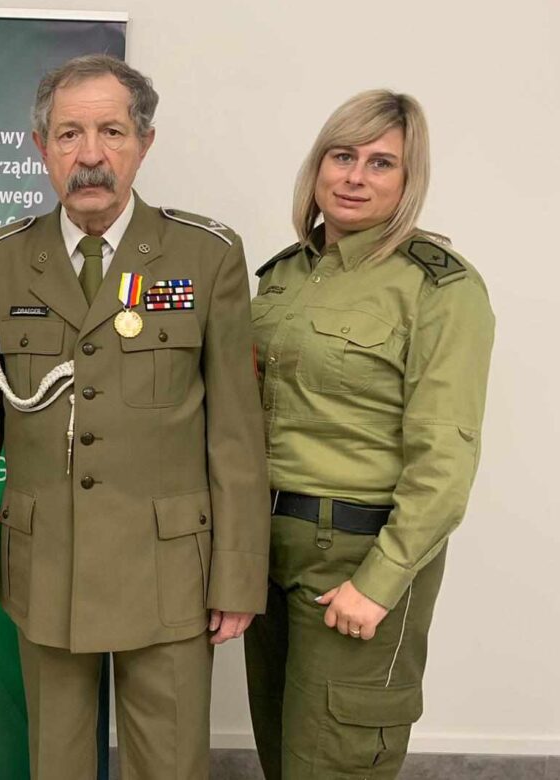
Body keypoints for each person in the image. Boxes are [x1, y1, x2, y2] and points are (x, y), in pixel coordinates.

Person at [0, 54, 270, 779]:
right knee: (56, 763)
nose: (90, 155)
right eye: (69, 134)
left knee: (171, 765)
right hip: (47, 561)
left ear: (144, 143)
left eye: (112, 132)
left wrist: (240, 573)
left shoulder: (205, 255)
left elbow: (236, 433)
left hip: (170, 566)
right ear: (41, 147)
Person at [243, 90, 495, 779]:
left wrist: (380, 582)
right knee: (281, 754)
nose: (356, 177)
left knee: (335, 762)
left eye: (382, 163)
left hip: (357, 557)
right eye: (343, 156)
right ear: (317, 166)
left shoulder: (439, 288)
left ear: (410, 180)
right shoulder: (284, 275)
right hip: (264, 552)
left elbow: (445, 460)